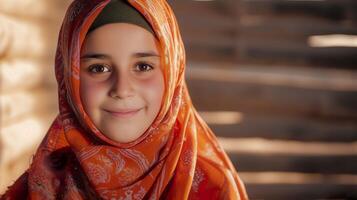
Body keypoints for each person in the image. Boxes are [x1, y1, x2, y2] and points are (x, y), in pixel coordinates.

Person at [1, 0, 248, 199]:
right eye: (99, 68)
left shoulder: (213, 190)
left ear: (172, 74)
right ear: (69, 78)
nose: (122, 89)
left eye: (142, 66)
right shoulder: (40, 188)